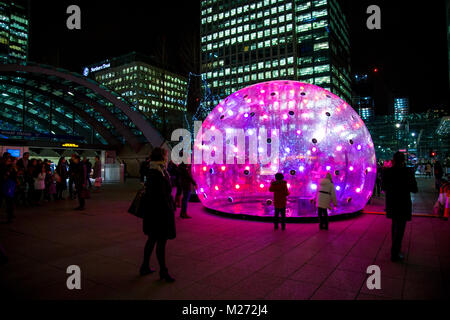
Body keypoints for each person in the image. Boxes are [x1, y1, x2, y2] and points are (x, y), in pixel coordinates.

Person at [140, 147, 176, 282]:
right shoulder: (156, 172)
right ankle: (163, 271)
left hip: (155, 213)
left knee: (152, 240)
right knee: (160, 242)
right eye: (166, 155)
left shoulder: (158, 170)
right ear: (162, 157)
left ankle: (145, 266)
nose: (167, 157)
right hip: (159, 214)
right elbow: (159, 195)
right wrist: (168, 210)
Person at [382, 152, 418, 262]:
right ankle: (395, 253)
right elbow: (414, 189)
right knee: (400, 229)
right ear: (403, 160)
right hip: (403, 204)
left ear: (393, 160)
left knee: (394, 227)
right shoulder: (407, 172)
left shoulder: (387, 172)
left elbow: (383, 187)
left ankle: (395, 250)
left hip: (392, 203)